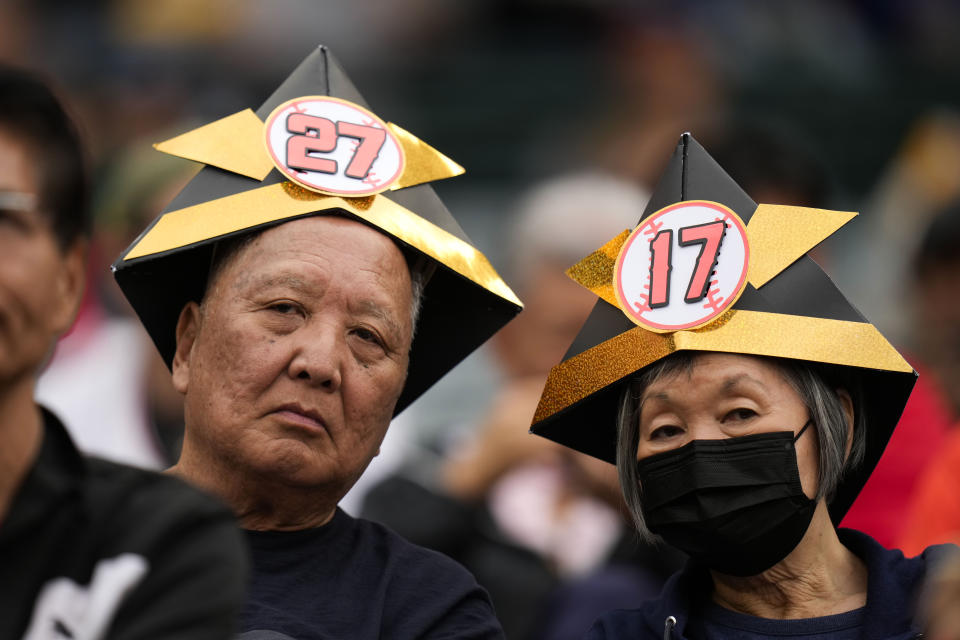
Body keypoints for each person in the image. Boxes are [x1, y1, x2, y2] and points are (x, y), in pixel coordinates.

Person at [112, 46, 521, 639]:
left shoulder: (429, 609)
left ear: (395, 400)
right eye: (284, 309)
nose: (322, 363)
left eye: (368, 338)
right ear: (187, 344)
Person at [530, 133, 958, 638]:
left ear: (838, 424)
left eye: (740, 413)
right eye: (665, 430)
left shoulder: (940, 611)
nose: (702, 447)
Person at [0, 66, 247, 639]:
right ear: (114, 259)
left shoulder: (168, 544)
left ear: (68, 279)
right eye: (174, 233)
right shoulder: (72, 395)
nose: (203, 261)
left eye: (3, 221)